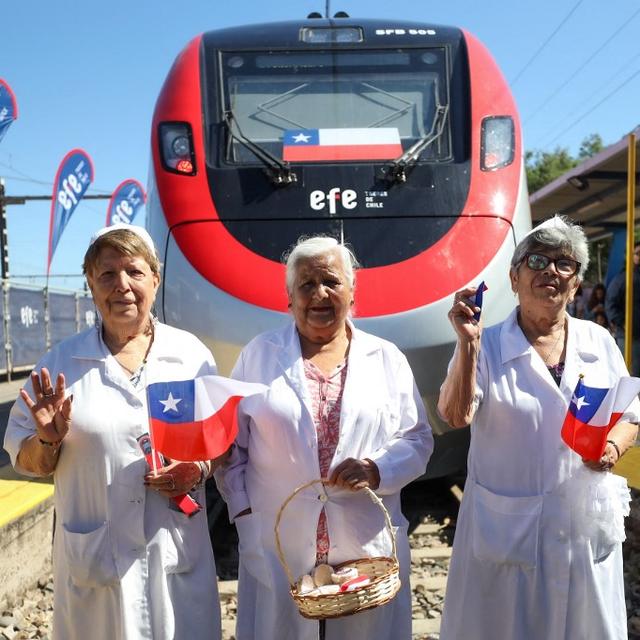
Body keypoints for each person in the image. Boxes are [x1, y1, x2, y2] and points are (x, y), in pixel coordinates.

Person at [3, 224, 222, 640]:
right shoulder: (61, 365)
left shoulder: (191, 357)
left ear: (155, 281)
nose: (122, 286)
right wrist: (48, 440)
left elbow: (221, 441)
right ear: (91, 285)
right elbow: (24, 458)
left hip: (174, 554)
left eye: (134, 272)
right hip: (98, 564)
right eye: (107, 274)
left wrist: (198, 468)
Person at [216, 236, 433, 640]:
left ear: (352, 293)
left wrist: (377, 468)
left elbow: (417, 439)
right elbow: (232, 450)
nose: (320, 294)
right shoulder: (258, 356)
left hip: (364, 546)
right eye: (306, 284)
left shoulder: (386, 358)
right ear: (289, 298)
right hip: (279, 541)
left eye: (332, 282)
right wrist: (245, 515)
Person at [438, 215, 639, 640]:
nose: (550, 270)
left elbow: (629, 413)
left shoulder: (598, 340)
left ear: (577, 283)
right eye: (536, 260)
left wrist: (613, 449)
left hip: (584, 527)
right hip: (508, 530)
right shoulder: (487, 344)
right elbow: (456, 416)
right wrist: (467, 344)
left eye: (564, 263)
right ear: (514, 278)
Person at [606, 242, 640, 375]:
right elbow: (611, 303)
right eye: (638, 253)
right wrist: (623, 323)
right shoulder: (623, 279)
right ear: (631, 256)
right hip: (630, 336)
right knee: (632, 375)